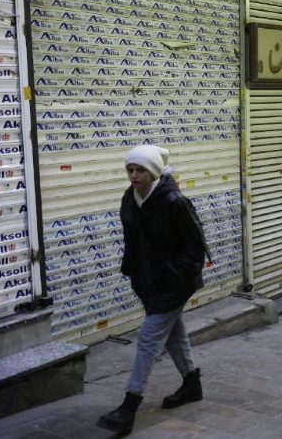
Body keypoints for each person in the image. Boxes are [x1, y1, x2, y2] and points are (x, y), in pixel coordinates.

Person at [97, 145, 209, 436]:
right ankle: (191, 384)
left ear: (153, 172)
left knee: (148, 338)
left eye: (140, 170)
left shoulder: (174, 201)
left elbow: (196, 250)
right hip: (148, 282)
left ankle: (129, 406)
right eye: (130, 170)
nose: (133, 176)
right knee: (173, 333)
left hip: (175, 284)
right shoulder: (129, 199)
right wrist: (133, 271)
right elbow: (132, 240)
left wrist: (172, 274)